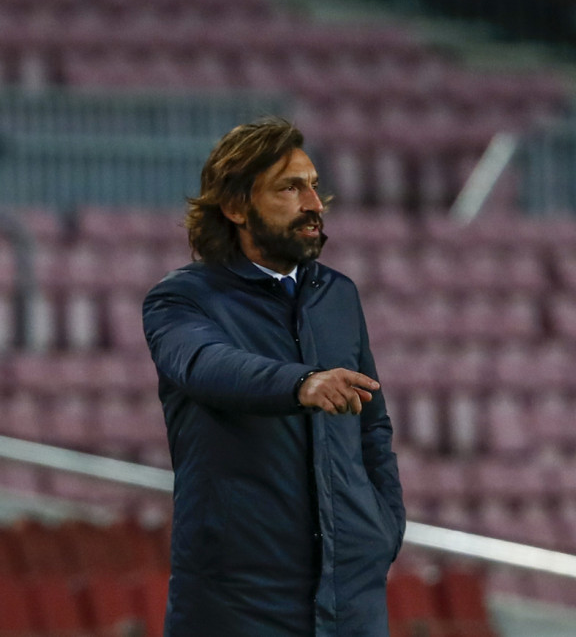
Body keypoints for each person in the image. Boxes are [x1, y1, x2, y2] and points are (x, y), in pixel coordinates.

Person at [142, 116, 405, 636]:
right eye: (290, 188)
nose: (314, 204)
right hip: (237, 600)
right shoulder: (181, 299)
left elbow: (372, 425)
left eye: (314, 186)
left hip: (351, 597)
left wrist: (381, 528)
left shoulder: (339, 295)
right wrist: (301, 384)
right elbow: (205, 364)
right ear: (236, 207)